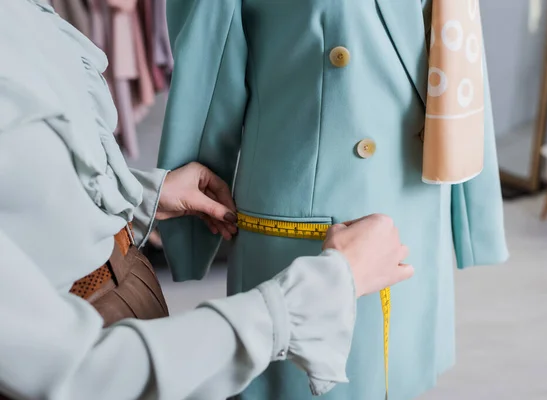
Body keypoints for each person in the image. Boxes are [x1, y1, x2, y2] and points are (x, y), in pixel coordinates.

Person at [0, 1, 414, 399]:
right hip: (108, 354)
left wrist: (138, 196)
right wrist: (310, 299)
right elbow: (76, 376)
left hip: (131, 289)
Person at [158, 0, 509, 399]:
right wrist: (187, 240)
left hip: (415, 201)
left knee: (399, 379)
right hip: (315, 226)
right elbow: (208, 73)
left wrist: (473, 214)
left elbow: (460, 55)